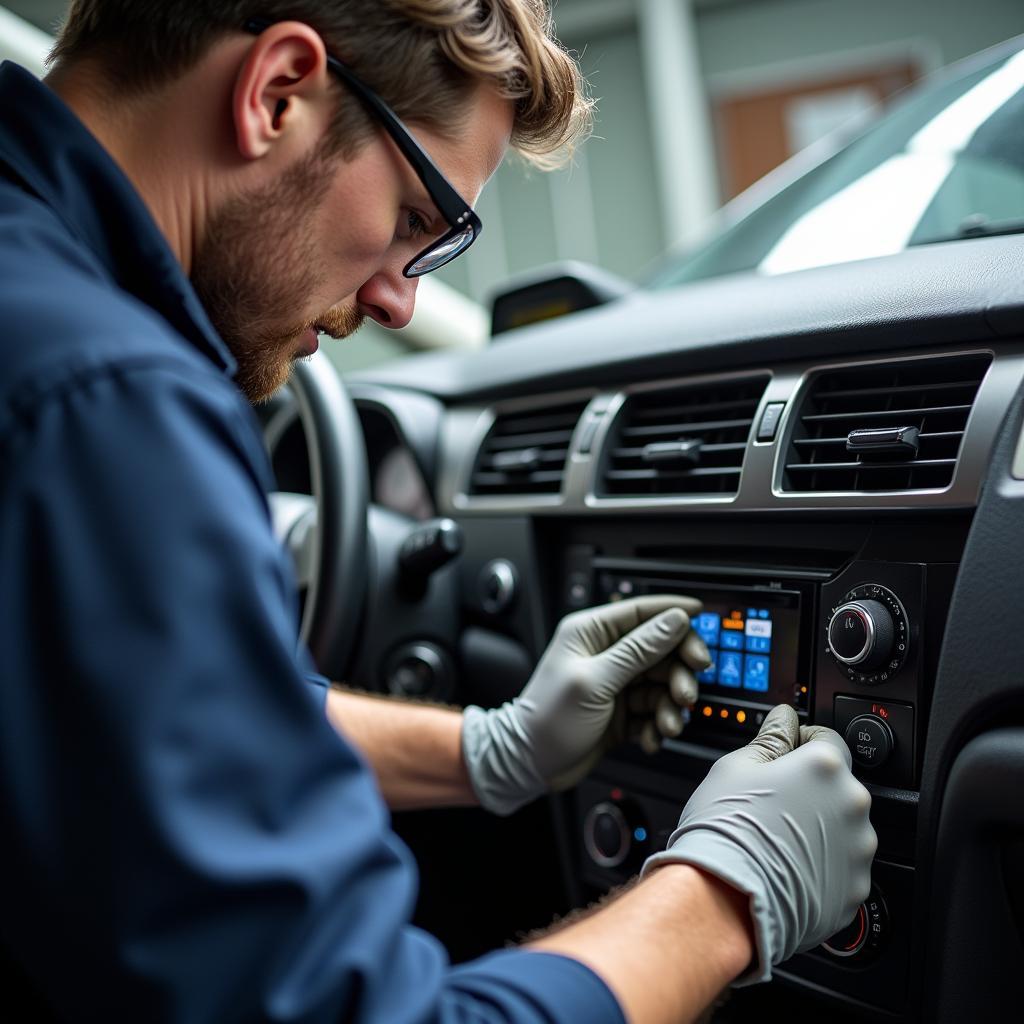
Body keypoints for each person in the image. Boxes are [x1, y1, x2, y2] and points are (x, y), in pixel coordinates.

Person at [0, 2, 876, 1022]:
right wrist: (726, 892)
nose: (400, 302)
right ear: (277, 91)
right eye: (420, 220)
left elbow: (146, 729)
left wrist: (493, 749)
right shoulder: (108, 406)